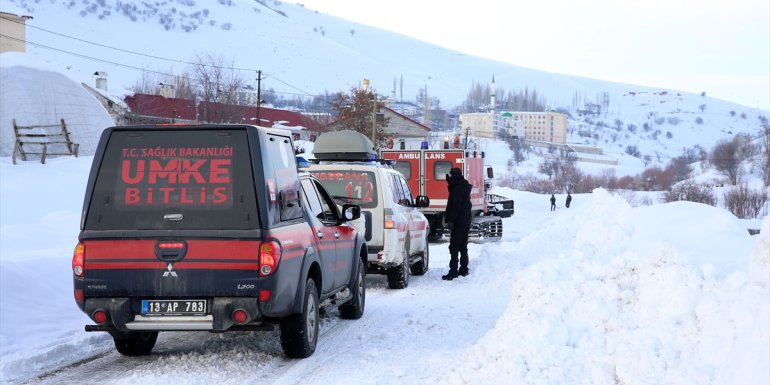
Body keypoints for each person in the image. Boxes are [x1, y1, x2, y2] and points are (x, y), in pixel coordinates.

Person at [442, 167, 472, 281]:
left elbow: (455, 206)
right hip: (465, 220)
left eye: (451, 175)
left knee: (454, 246)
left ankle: (453, 271)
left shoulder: (458, 189)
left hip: (458, 221)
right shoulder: (463, 186)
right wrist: (451, 184)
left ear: (454, 176)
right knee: (463, 245)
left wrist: (451, 221)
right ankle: (464, 269)